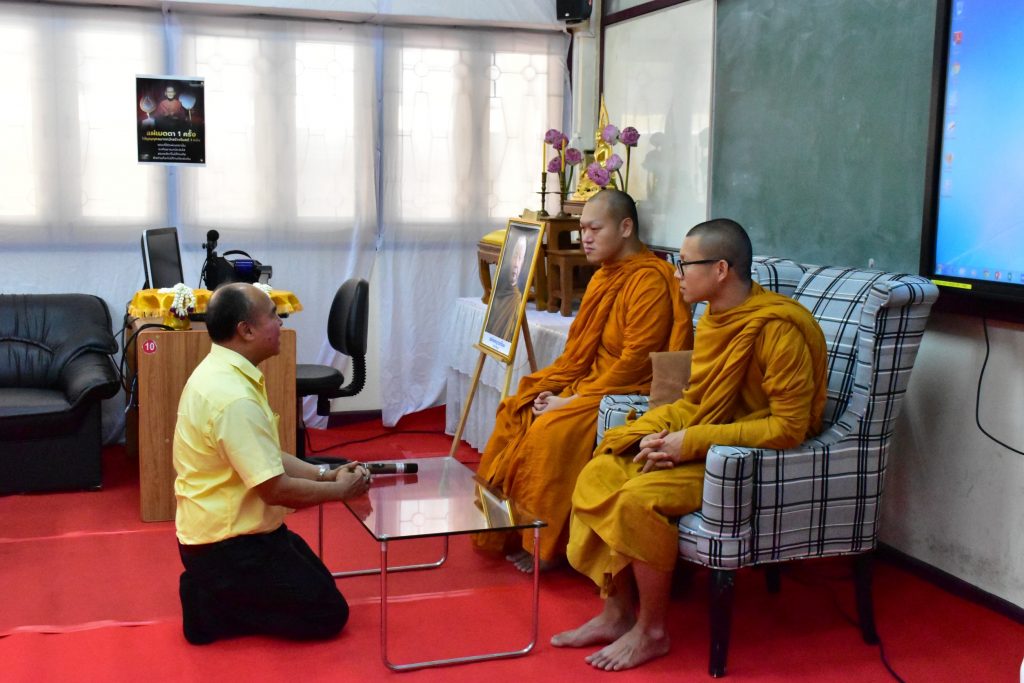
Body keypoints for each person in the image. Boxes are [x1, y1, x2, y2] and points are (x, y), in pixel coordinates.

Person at [552, 218, 828, 671]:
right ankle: (618, 612)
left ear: (721, 269)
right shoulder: (716, 316)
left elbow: (789, 427)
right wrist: (653, 430)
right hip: (709, 443)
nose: (676, 274)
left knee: (638, 499)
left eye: (684, 264)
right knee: (601, 469)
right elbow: (698, 400)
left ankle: (653, 631)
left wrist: (690, 442)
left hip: (744, 461)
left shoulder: (777, 329)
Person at [474, 189, 692, 572]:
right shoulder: (605, 276)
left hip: (626, 388)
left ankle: (545, 543)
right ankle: (513, 526)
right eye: (581, 230)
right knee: (519, 405)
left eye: (594, 228)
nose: (585, 238)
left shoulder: (649, 281)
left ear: (626, 227)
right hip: (592, 378)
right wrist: (557, 389)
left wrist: (570, 402)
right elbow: (579, 353)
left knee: (551, 431)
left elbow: (636, 365)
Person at [173, 282, 372, 645]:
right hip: (224, 545)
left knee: (318, 580)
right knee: (329, 614)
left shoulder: (225, 371)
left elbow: (265, 455)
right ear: (245, 330)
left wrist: (325, 474)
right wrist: (339, 492)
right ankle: (210, 606)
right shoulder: (232, 396)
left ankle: (214, 589)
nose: (280, 323)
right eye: (272, 316)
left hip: (228, 532)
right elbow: (275, 489)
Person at [484, 234, 529, 343]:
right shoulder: (498, 291)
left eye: (520, 258)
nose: (516, 264)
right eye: (515, 256)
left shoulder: (516, 298)